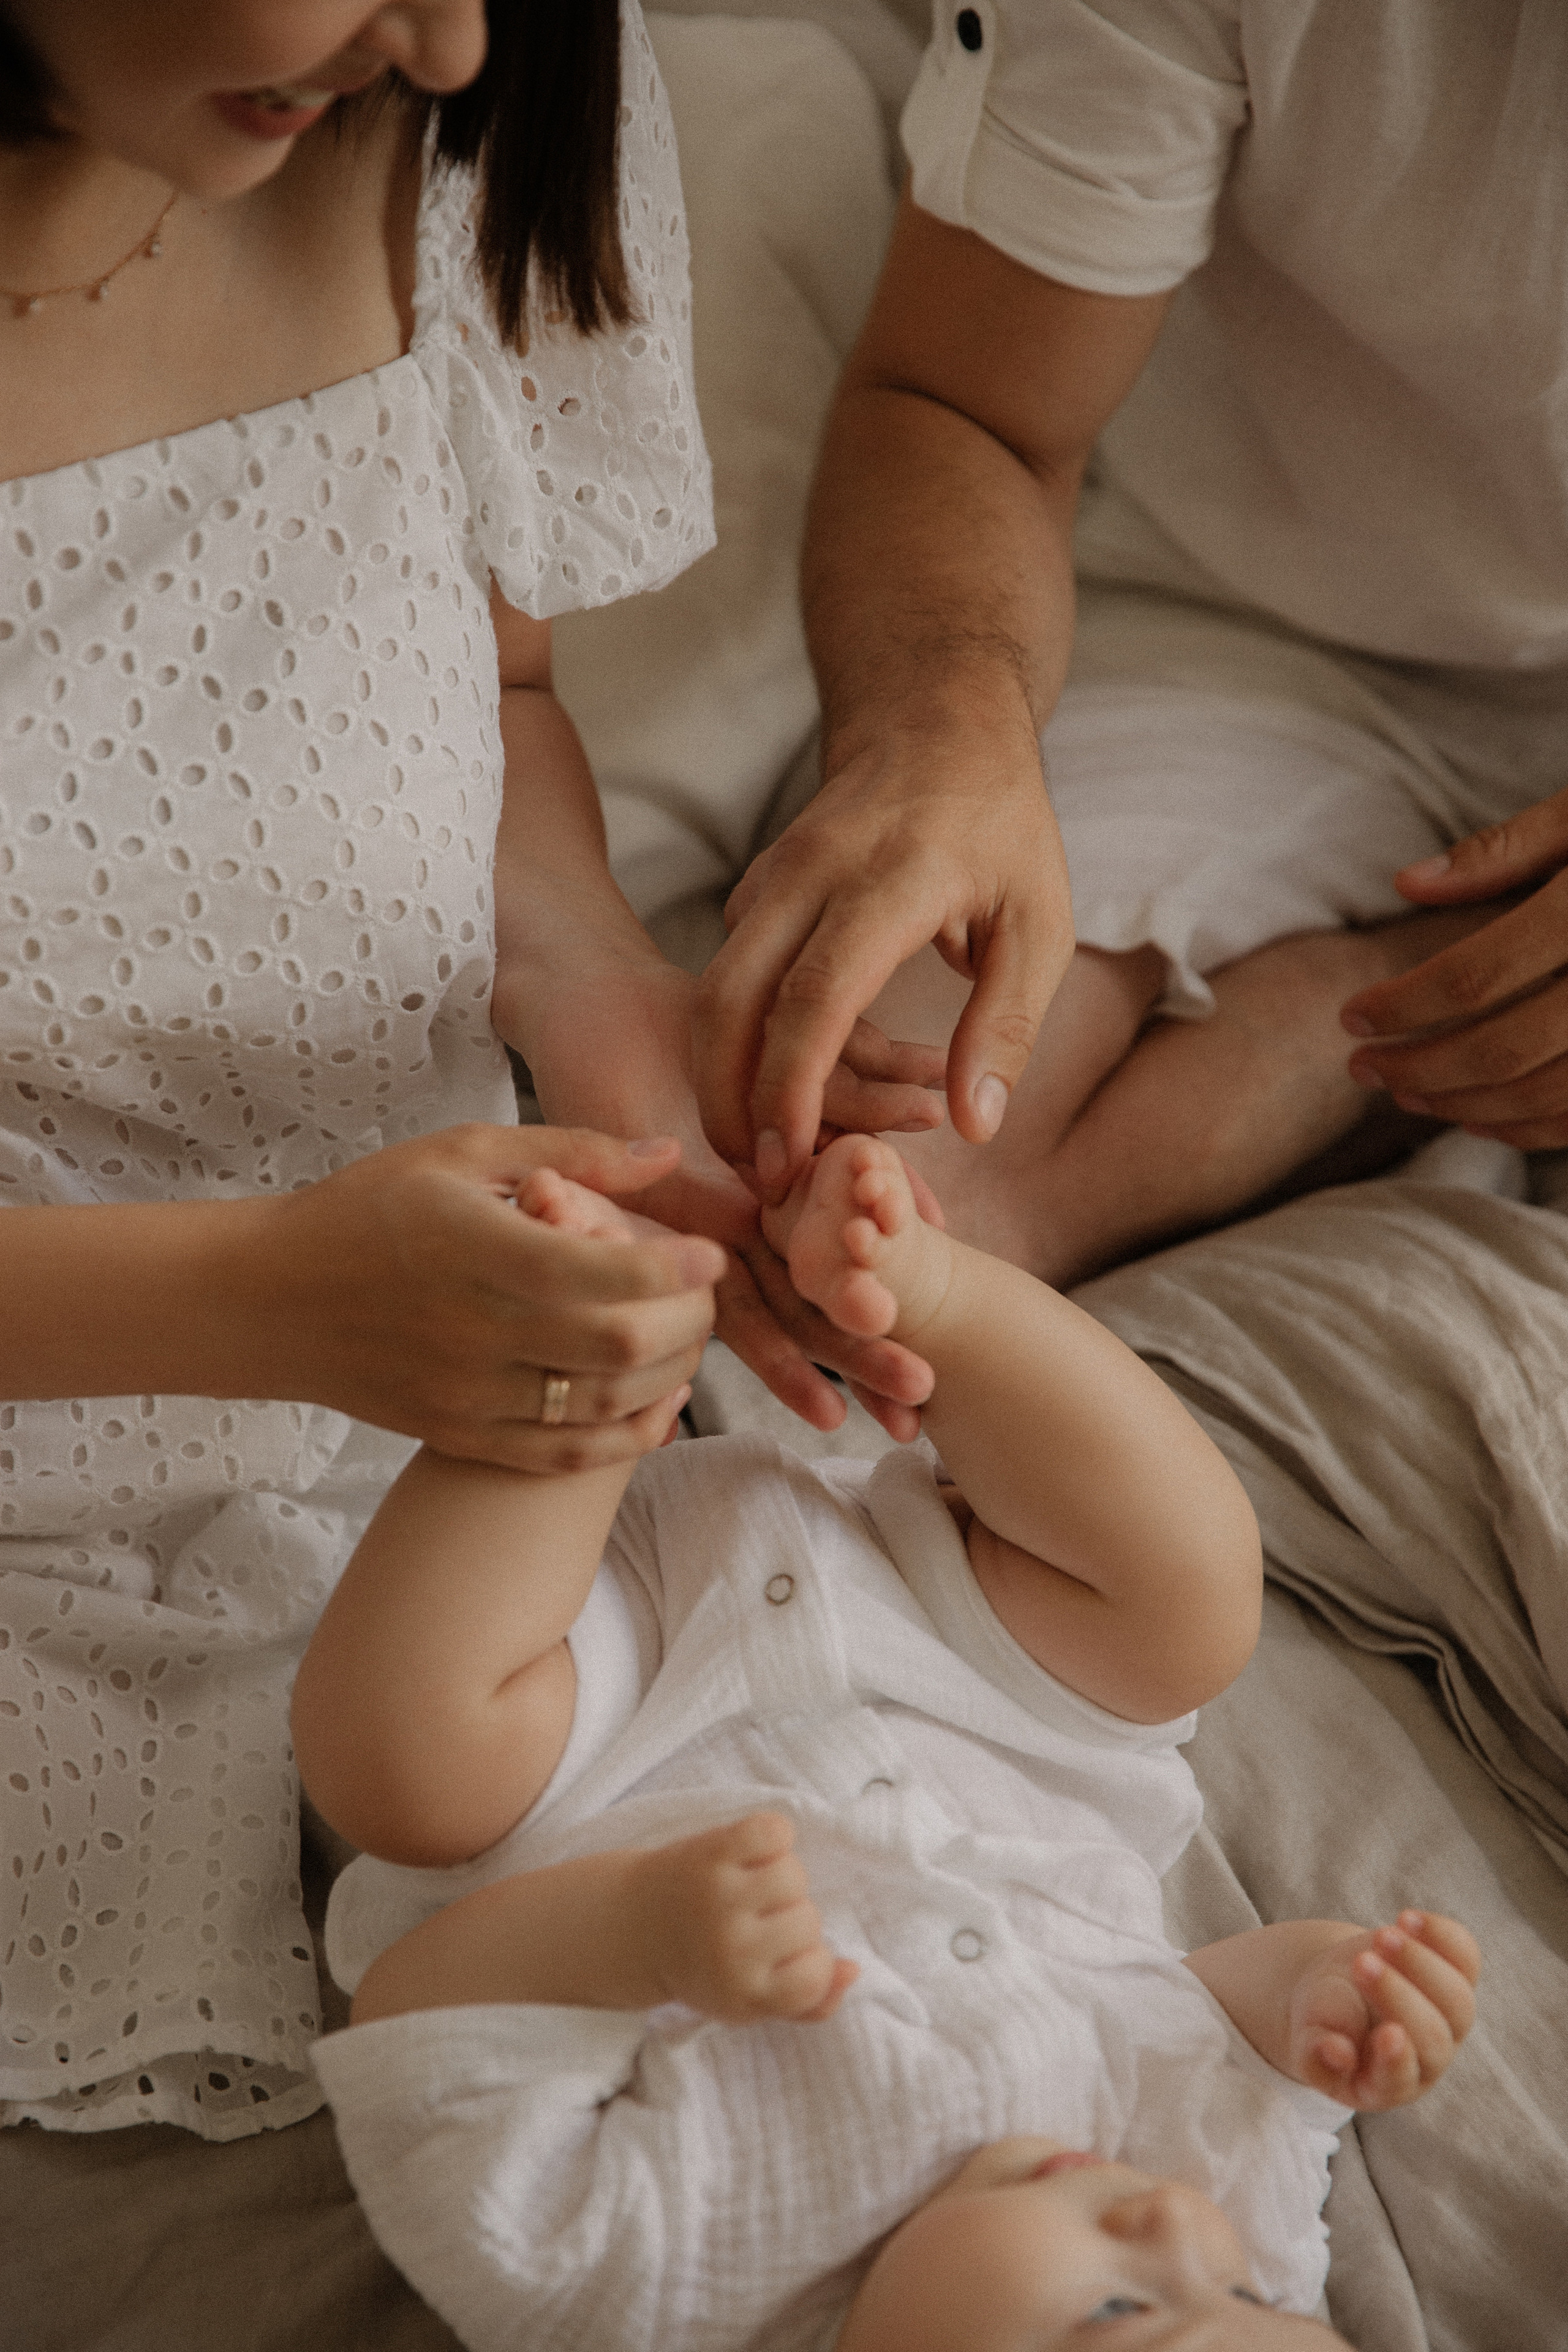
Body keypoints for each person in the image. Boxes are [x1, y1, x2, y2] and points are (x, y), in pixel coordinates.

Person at [0, 0, 948, 2138]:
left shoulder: (437, 104)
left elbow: (487, 700)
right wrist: (263, 1304)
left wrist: (634, 1075)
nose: (439, 44)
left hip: (437, 1416)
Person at [293, 1134, 1479, 2350]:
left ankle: (595, 1345)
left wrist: (636, 1934)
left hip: (595, 1702)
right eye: (1244, 2295)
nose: (1176, 2227)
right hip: (965, 1667)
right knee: (1185, 1610)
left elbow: (418, 2018)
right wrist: (1318, 2000)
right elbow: (1213, 2026)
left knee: (401, 1767)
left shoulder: (638, 2287)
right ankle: (925, 1298)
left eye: (1120, 2313)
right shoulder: (1231, 2209)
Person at [693, 0, 1568, 1286]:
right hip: (1233, 617)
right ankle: (1418, 979)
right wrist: (946, 743)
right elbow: (967, 404)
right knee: (871, 1164)